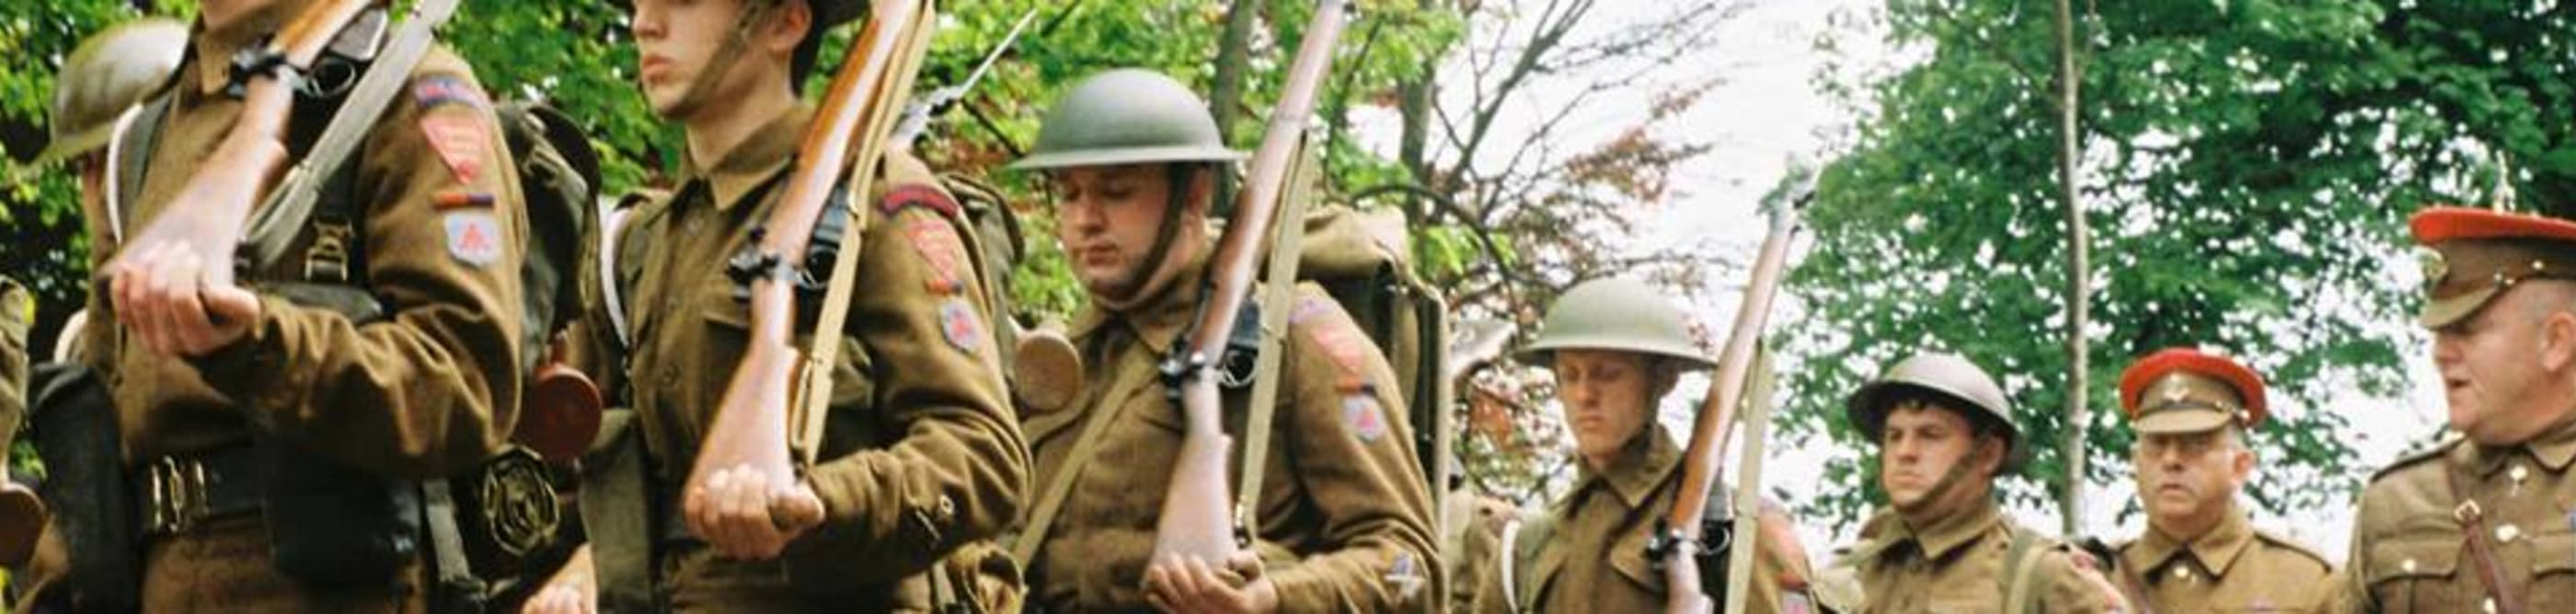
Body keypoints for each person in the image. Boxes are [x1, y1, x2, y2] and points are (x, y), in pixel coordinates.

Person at [29, 0, 532, 608]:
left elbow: (463, 384)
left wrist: (262, 344)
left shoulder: (407, 92)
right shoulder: (143, 135)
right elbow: (103, 427)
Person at [530, 0, 1027, 611]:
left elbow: (984, 455)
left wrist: (822, 501)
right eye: (639, 3)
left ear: (785, 23)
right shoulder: (639, 243)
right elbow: (582, 465)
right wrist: (585, 561)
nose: (644, 23)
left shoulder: (877, 206)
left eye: (681, 1)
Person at [1004, 68, 1442, 612]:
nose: (1085, 220)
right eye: (1068, 196)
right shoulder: (1068, 355)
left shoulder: (1298, 336)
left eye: (1116, 192)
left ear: (1194, 196)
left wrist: (1274, 599)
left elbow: (1409, 567)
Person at [1466, 278, 1819, 613]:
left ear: (1663, 379)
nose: (1585, 395)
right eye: (1570, 375)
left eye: (1608, 374)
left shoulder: (1739, 532)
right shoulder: (1528, 546)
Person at [2341, 205, 2576, 613]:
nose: (2441, 355)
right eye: (2438, 334)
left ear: (2556, 342)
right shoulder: (2395, 500)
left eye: (2465, 330)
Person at [1835, 353, 2128, 613]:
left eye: (1930, 435)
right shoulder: (1851, 573)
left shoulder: (2044, 576)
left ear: (1988, 454)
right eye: (1894, 435)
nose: (1905, 452)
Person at [2110, 347, 2333, 611]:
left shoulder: (2305, 581)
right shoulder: (2091, 578)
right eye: (2156, 445)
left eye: (2196, 445)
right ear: (2135, 462)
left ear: (2240, 466)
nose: (2171, 460)